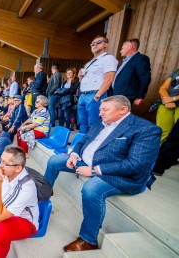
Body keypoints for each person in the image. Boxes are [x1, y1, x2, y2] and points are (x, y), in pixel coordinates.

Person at [44, 95, 161, 252]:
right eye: (100, 110)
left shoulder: (146, 129)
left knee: (91, 189)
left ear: (123, 109)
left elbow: (136, 165)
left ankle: (88, 240)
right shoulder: (101, 123)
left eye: (105, 109)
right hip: (85, 162)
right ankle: (44, 191)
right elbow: (82, 141)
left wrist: (94, 170)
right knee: (55, 160)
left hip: (119, 175)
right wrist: (74, 155)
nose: (100, 113)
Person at [77, 35, 118, 133]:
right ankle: (80, 145)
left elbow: (109, 79)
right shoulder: (89, 63)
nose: (95, 45)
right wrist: (80, 77)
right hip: (83, 95)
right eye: (92, 44)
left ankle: (91, 146)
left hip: (95, 94)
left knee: (93, 123)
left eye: (98, 42)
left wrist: (98, 95)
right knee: (82, 122)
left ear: (106, 44)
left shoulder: (108, 58)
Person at [112, 38, 151, 105]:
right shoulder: (125, 61)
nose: (120, 51)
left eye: (122, 48)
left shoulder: (140, 59)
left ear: (130, 47)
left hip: (126, 97)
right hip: (116, 95)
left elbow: (145, 78)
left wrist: (140, 96)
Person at [156, 68, 179, 143]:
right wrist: (168, 100)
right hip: (166, 104)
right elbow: (163, 88)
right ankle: (160, 152)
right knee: (162, 131)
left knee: (176, 134)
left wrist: (173, 99)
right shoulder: (177, 71)